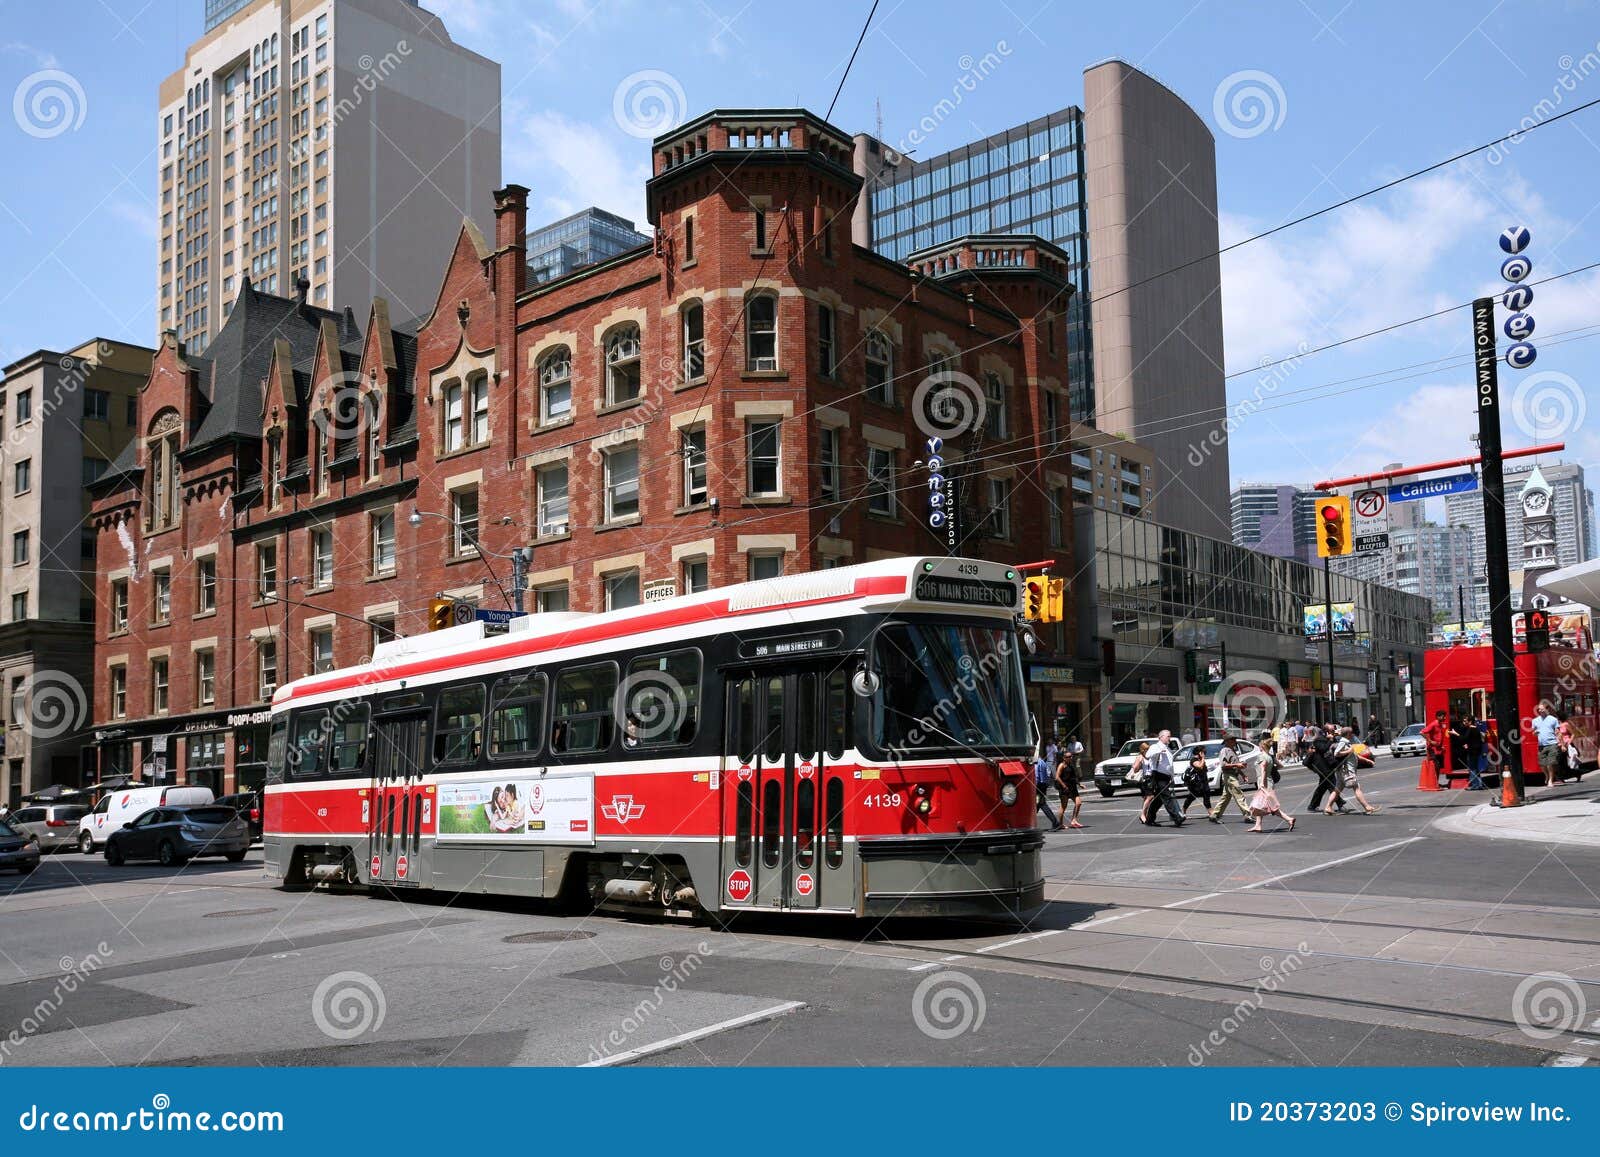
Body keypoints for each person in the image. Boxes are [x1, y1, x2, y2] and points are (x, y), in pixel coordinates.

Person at [1139, 730, 1185, 827]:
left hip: (1166, 776)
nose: (1170, 738)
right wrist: (1159, 751)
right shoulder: (1155, 747)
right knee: (1167, 796)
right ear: (1161, 737)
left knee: (1159, 799)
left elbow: (1169, 764)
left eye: (1170, 736)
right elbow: (1147, 756)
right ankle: (1177, 817)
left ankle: (1149, 819)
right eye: (1168, 736)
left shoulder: (1167, 748)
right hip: (1158, 775)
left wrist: (1171, 776)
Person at [1210, 733, 1253, 823]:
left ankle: (1215, 815)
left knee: (1226, 797)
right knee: (1239, 794)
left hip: (1232, 775)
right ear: (1227, 741)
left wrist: (1242, 774)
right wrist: (1236, 764)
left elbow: (1235, 765)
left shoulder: (1232, 750)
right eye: (1233, 739)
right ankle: (1247, 815)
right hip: (1229, 776)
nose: (1235, 741)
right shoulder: (1224, 750)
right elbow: (1223, 765)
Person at [1336, 726, 1380, 814]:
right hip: (1347, 770)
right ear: (1348, 734)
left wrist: (1367, 760)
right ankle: (1367, 807)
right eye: (1351, 733)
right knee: (1356, 788)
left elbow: (1354, 755)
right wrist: (1348, 751)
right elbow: (1336, 753)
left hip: (1344, 771)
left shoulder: (1347, 742)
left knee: (1337, 790)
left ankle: (1328, 807)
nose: (1352, 734)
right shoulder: (1343, 742)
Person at [1306, 724, 1341, 813]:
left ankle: (1312, 805)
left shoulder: (1326, 738)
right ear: (1326, 732)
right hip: (1321, 766)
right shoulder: (1318, 739)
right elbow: (1323, 749)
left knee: (1322, 786)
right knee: (1332, 783)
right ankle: (1340, 803)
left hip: (1327, 765)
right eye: (1332, 731)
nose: (1333, 732)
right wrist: (1330, 740)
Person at [1531, 701, 1561, 787]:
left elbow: (1558, 732)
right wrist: (1534, 733)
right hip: (1541, 745)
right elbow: (1533, 732)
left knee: (1550, 763)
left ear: (1547, 709)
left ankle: (1551, 780)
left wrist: (1561, 743)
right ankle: (1547, 775)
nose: (1540, 711)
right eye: (1539, 709)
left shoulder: (1553, 719)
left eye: (1542, 709)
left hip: (1552, 744)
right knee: (1542, 764)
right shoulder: (1535, 720)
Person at [1055, 741, 1083, 829]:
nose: (1070, 758)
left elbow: (1073, 777)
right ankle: (1060, 824)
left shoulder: (1071, 765)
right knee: (1063, 806)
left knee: (1078, 803)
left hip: (1073, 787)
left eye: (1071, 756)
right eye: (1068, 757)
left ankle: (1074, 820)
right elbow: (1057, 777)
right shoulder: (1061, 765)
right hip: (1065, 788)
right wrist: (1064, 786)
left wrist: (1079, 784)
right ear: (1064, 758)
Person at [1181, 744, 1213, 819]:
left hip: (1204, 782)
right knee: (1191, 797)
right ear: (1199, 752)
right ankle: (1183, 811)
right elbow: (1200, 766)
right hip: (1196, 784)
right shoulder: (1193, 760)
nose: (1205, 753)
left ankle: (1211, 813)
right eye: (1203, 752)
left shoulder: (1200, 759)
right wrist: (1203, 758)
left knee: (1206, 797)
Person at [1035, 751, 1063, 830]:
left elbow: (1036, 777)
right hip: (1043, 786)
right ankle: (1029, 823)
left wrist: (1034, 786)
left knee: (1040, 804)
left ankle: (1055, 823)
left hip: (1038, 786)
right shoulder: (1042, 762)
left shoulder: (1036, 763)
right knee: (1038, 804)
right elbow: (1047, 775)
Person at [1463, 715, 1486, 790]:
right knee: (1476, 768)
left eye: (1466, 721)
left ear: (1470, 722)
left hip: (1472, 751)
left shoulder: (1470, 729)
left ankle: (1475, 785)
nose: (1464, 722)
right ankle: (1479, 784)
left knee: (1472, 768)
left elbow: (1464, 738)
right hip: (1476, 751)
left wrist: (1455, 734)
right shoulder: (1476, 729)